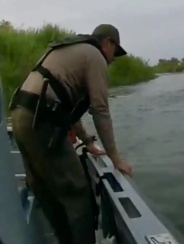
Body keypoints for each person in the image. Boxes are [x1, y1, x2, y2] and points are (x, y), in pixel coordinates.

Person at [10, 24, 133, 244]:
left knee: (44, 189)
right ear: (108, 43)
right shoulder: (95, 55)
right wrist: (116, 158)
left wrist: (87, 141)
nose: (113, 59)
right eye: (115, 52)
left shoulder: (72, 50)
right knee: (78, 193)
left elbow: (64, 108)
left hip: (20, 116)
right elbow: (100, 109)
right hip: (41, 122)